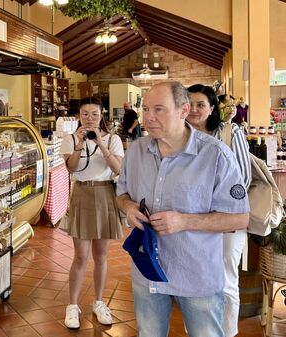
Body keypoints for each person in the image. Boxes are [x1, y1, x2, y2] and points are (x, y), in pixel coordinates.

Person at [116, 81, 249, 337]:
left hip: (196, 274)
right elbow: (121, 193)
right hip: (148, 273)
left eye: (159, 109)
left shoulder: (216, 155)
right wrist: (129, 206)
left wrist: (185, 221)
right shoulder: (136, 152)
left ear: (183, 110)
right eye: (145, 109)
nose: (149, 117)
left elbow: (240, 219)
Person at [187, 84, 251, 337]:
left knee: (225, 280)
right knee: (194, 279)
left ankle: (227, 332)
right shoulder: (180, 137)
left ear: (212, 108)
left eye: (200, 105)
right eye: (189, 104)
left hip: (226, 220)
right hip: (191, 221)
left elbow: (242, 180)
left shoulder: (228, 132)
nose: (193, 110)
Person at [60, 97, 124, 329]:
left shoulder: (113, 139)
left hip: (105, 194)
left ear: (101, 115)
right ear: (78, 115)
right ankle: (73, 306)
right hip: (82, 195)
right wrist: (79, 144)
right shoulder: (69, 139)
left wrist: (102, 144)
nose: (89, 118)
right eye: (85, 114)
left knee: (102, 256)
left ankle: (99, 302)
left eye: (94, 114)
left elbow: (118, 170)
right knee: (80, 256)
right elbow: (72, 168)